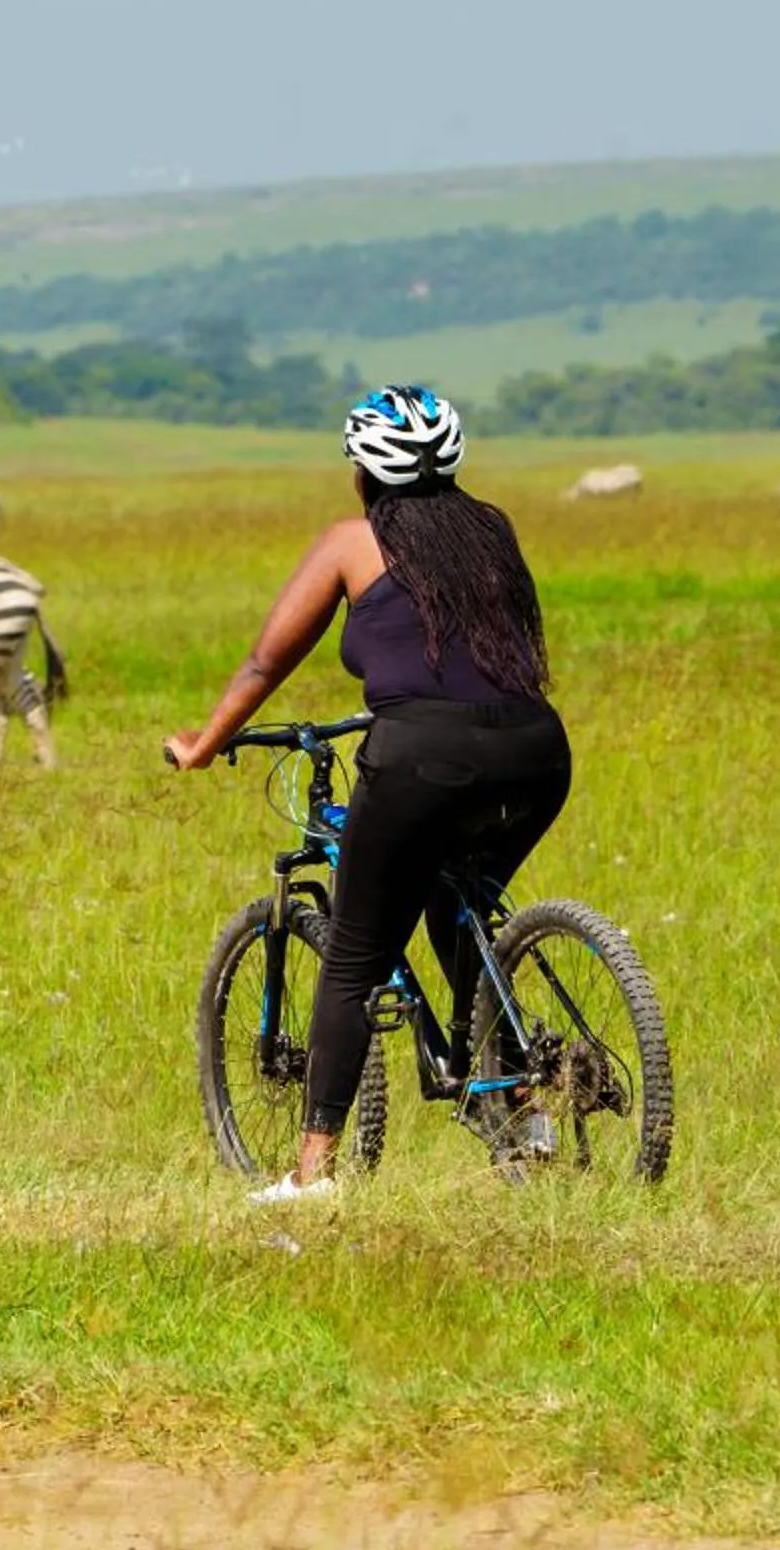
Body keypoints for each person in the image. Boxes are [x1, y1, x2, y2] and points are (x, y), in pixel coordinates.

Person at [166, 386, 572, 1204]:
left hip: (423, 755)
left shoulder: (353, 542)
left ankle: (313, 1174)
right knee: (460, 906)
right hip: (537, 751)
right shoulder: (491, 530)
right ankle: (520, 1108)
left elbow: (264, 662)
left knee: (353, 958)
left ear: (364, 472)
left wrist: (204, 745)